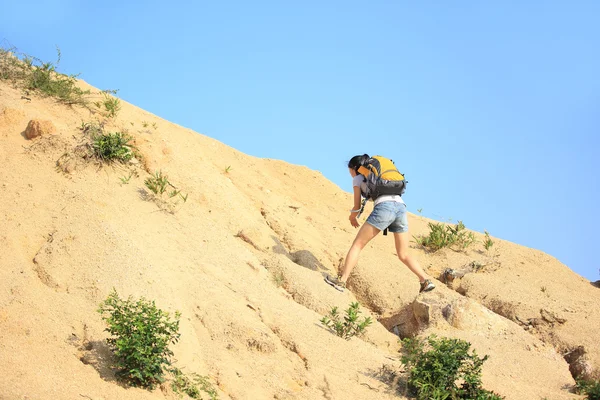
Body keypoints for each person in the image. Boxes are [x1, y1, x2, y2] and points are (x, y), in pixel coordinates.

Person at [325, 154, 436, 293]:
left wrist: (353, 217)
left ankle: (342, 281)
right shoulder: (375, 175)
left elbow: (357, 206)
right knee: (403, 253)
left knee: (357, 245)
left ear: (355, 168)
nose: (350, 174)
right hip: (401, 207)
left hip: (385, 207)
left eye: (350, 171)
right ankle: (425, 280)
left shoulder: (358, 178)